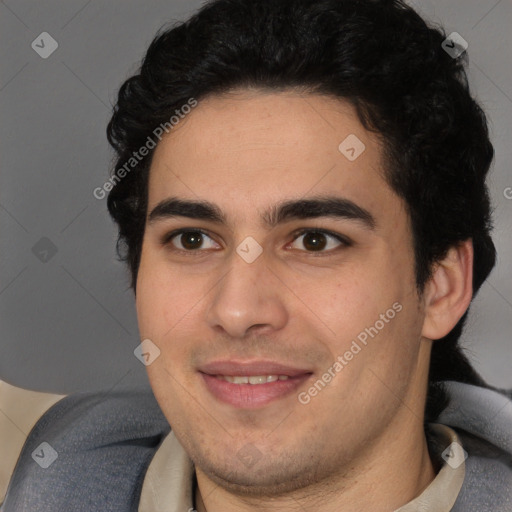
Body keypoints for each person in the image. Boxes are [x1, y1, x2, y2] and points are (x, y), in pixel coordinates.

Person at [1, 0, 511, 510]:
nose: (238, 311)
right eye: (192, 239)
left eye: (315, 240)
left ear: (441, 287)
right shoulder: (35, 470)